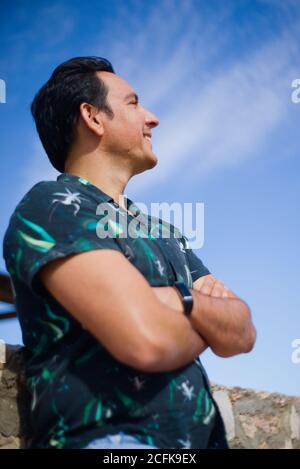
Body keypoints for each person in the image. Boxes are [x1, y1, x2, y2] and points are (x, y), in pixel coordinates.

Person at [3, 57, 256, 449]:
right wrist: (202, 310)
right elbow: (146, 340)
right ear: (92, 117)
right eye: (134, 103)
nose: (152, 118)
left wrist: (175, 301)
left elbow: (241, 331)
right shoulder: (52, 207)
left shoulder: (165, 232)